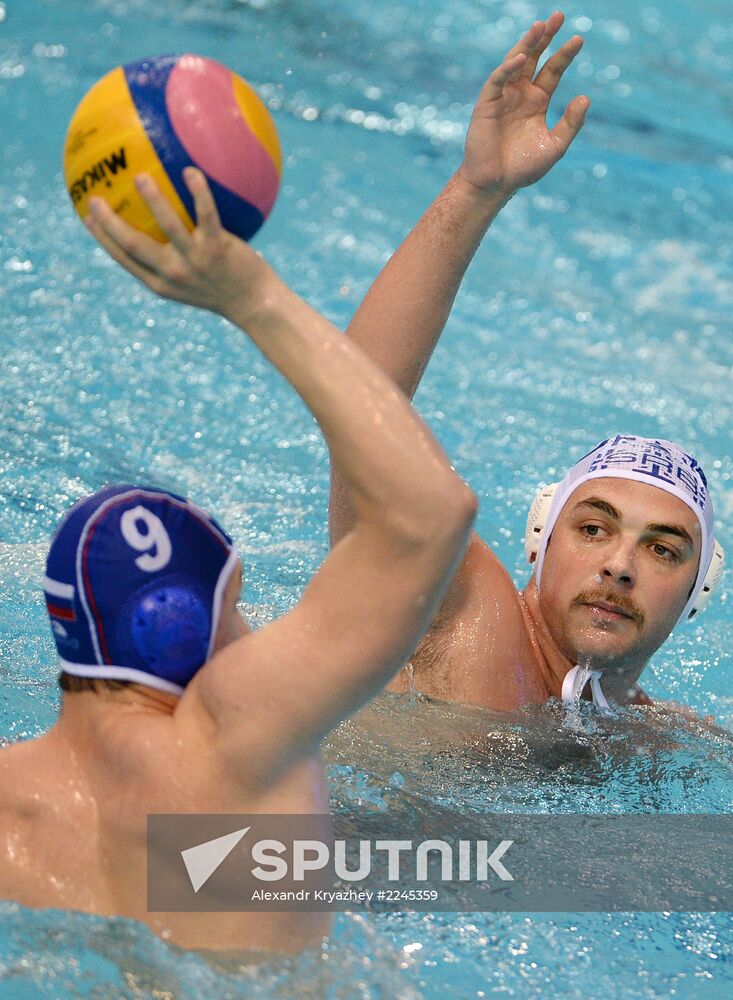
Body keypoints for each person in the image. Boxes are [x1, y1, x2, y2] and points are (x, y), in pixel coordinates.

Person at [0, 168, 477, 951]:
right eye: (237, 606)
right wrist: (254, 298)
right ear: (179, 630)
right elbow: (430, 513)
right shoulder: (233, 739)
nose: (255, 627)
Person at [329, 12, 724, 712]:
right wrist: (476, 191)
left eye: (663, 550)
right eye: (593, 527)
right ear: (540, 538)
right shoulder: (459, 619)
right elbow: (361, 406)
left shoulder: (659, 743)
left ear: (699, 593)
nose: (618, 566)